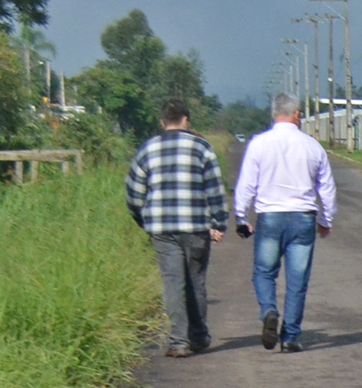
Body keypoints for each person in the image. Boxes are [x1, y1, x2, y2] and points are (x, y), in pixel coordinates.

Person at [234, 92, 337, 353]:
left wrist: (241, 217)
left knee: (264, 272)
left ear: (274, 113)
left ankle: (269, 310)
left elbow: (246, 185)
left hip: (270, 217)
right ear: (297, 114)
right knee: (297, 280)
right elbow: (326, 188)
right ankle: (290, 336)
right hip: (303, 218)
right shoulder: (312, 147)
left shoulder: (259, 144)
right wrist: (326, 220)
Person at [126, 99, 228, 358]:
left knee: (173, 282)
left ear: (163, 122)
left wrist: (142, 218)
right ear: (186, 120)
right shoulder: (201, 147)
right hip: (195, 226)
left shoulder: (147, 148)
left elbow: (134, 192)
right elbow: (215, 189)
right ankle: (198, 336)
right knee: (195, 281)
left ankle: (177, 341)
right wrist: (219, 222)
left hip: (162, 228)